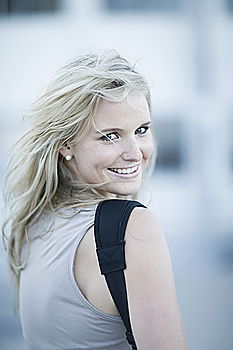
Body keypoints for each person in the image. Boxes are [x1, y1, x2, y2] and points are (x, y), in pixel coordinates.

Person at [2, 50, 187, 350]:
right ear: (66, 144)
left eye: (141, 130)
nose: (134, 152)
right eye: (110, 136)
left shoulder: (35, 223)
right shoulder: (131, 229)